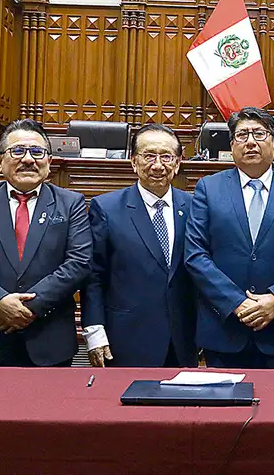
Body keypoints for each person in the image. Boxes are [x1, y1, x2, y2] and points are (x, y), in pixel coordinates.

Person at [0, 119, 91, 367]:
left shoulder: (71, 203)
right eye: (18, 151)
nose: (28, 159)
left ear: (49, 162)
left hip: (49, 339)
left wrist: (27, 309)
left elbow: (78, 263)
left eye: (37, 152)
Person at [185, 107, 274, 369]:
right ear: (232, 145)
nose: (250, 141)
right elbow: (196, 255)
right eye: (242, 135)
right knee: (222, 409)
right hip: (225, 329)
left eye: (259, 134)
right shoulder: (208, 188)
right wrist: (236, 303)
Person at [81, 123, 197, 368]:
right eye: (148, 156)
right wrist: (94, 331)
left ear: (177, 164)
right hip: (126, 339)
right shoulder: (107, 208)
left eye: (166, 157)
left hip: (183, 340)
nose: (157, 165)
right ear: (133, 162)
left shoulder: (195, 207)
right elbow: (93, 276)